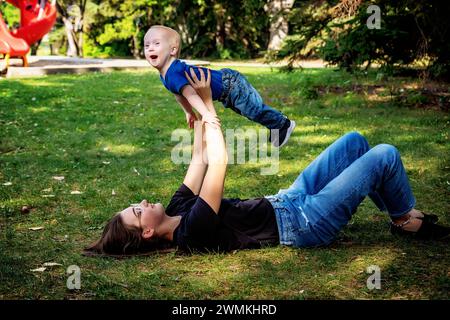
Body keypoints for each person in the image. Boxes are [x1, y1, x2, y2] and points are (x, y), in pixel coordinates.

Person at [85, 68, 450, 256]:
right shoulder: (190, 232)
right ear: (147, 231)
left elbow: (199, 157)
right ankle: (404, 220)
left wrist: (194, 110)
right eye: (137, 211)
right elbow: (219, 163)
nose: (143, 203)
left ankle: (400, 216)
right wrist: (210, 103)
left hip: (287, 200)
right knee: (384, 154)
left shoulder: (178, 206)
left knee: (355, 142)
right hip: (306, 224)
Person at [143, 25, 296, 148]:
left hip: (230, 84)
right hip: (226, 90)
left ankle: (283, 124)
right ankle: (276, 124)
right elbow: (178, 95)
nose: (150, 48)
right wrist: (189, 112)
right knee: (249, 112)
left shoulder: (174, 72)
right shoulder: (165, 75)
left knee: (254, 110)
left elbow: (191, 94)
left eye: (156, 43)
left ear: (173, 50)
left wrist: (206, 114)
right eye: (146, 45)